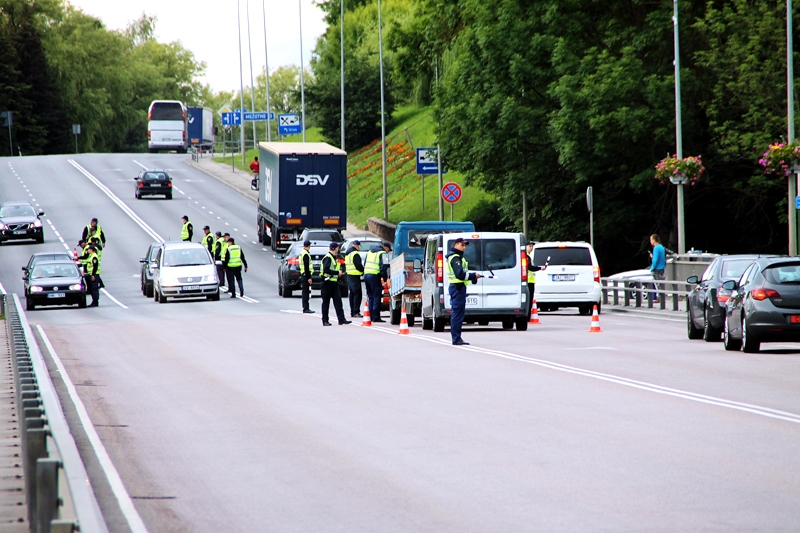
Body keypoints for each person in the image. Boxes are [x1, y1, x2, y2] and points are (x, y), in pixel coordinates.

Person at [446, 237, 482, 345]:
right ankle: (456, 338)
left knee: (457, 313)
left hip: (458, 287)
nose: (464, 247)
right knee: (457, 314)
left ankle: (457, 337)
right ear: (456, 245)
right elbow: (460, 274)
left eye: (465, 245)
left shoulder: (458, 257)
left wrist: (473, 277)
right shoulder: (455, 258)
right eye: (462, 245)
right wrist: (473, 276)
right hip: (457, 287)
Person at [320, 242, 351, 326]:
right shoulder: (328, 258)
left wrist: (339, 273)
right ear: (334, 248)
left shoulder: (334, 257)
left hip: (334, 282)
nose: (338, 249)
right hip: (327, 282)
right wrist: (337, 273)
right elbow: (326, 270)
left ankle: (341, 319)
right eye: (337, 248)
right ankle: (325, 320)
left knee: (338, 301)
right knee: (326, 302)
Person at [363, 241, 391, 322]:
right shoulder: (383, 253)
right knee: (377, 296)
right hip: (374, 276)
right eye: (388, 250)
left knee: (371, 297)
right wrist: (385, 279)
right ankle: (376, 317)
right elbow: (384, 267)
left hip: (366, 275)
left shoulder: (370, 252)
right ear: (386, 248)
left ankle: (370, 316)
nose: (388, 252)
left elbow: (365, 263)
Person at [524, 240, 546, 318]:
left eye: (532, 246)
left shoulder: (528, 256)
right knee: (529, 300)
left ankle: (528, 316)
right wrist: (540, 268)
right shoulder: (526, 257)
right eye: (530, 246)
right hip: (528, 281)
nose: (531, 248)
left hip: (530, 281)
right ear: (525, 247)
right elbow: (530, 267)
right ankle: (527, 317)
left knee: (530, 300)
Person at [344, 240, 364, 317]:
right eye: (359, 246)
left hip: (349, 275)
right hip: (355, 276)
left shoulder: (348, 253)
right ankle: (356, 312)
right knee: (357, 294)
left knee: (352, 294)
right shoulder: (355, 253)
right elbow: (358, 265)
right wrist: (363, 270)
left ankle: (352, 311)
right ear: (357, 246)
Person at [649, 233, 666, 303]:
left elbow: (655, 260)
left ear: (654, 240)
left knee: (657, 284)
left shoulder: (656, 248)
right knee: (661, 284)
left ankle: (659, 298)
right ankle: (662, 297)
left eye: (651, 240)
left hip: (656, 269)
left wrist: (652, 268)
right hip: (662, 268)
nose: (650, 241)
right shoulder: (661, 247)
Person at [299, 240, 315, 313]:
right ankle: (306, 308)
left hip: (303, 274)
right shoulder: (305, 254)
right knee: (306, 292)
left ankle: (305, 307)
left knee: (305, 292)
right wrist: (309, 278)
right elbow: (306, 267)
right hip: (305, 275)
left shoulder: (302, 252)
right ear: (309, 246)